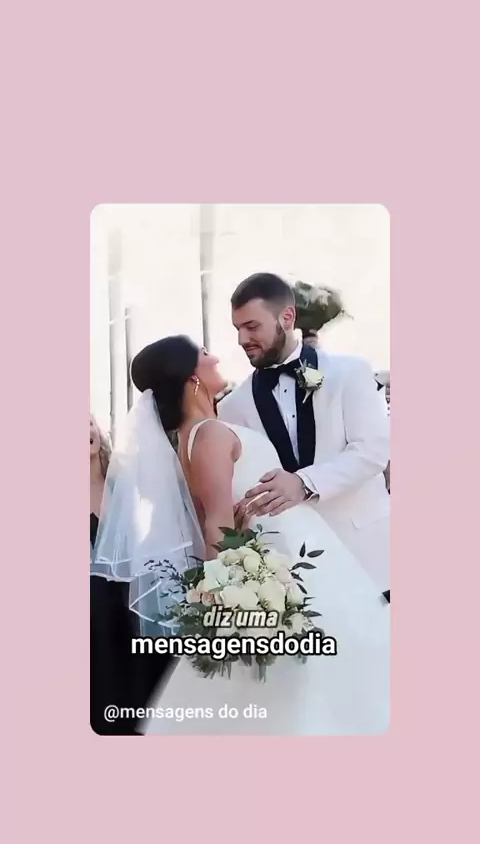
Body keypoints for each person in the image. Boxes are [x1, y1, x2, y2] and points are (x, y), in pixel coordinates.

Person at [95, 336, 390, 736]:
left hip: (289, 563)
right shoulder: (209, 434)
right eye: (204, 354)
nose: (215, 356)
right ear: (192, 377)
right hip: (278, 573)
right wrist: (228, 603)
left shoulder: (195, 436)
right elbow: (216, 523)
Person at [219, 273, 391, 594]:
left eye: (252, 326)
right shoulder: (231, 407)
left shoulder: (350, 372)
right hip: (297, 575)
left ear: (287, 317)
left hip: (372, 558)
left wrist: (304, 483)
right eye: (237, 328)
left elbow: (372, 452)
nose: (242, 339)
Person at [90, 415, 166, 734]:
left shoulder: (121, 478)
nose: (86, 432)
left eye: (88, 423)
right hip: (95, 610)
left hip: (135, 593)